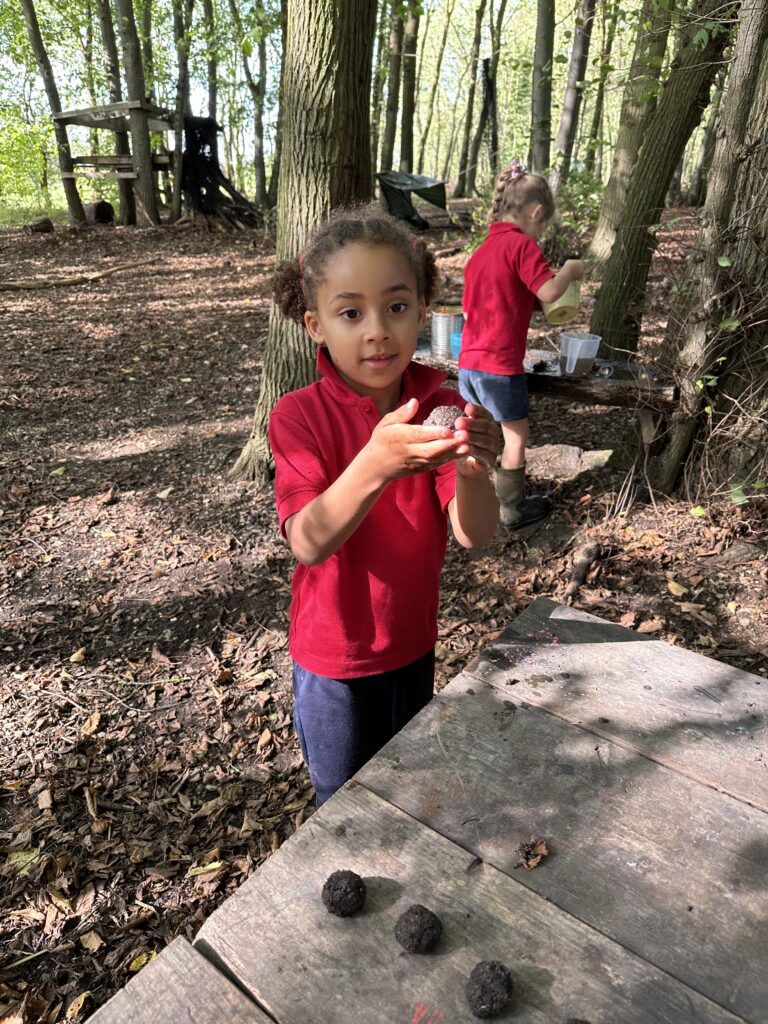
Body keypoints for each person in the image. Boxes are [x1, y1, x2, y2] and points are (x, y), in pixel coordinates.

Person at [268, 205, 501, 806]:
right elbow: (308, 540)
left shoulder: (441, 403)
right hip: (335, 658)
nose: (378, 330)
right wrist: (376, 462)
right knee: (342, 802)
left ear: (423, 309)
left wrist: (473, 471)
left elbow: (474, 534)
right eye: (351, 313)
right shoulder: (298, 416)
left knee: (402, 789)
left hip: (412, 643)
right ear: (315, 324)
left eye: (396, 307)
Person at [459, 159, 586, 528]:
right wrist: (570, 272)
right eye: (543, 224)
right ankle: (512, 509)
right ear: (535, 212)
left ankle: (472, 499)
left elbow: (482, 306)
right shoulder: (521, 246)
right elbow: (548, 289)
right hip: (499, 366)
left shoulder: (481, 253)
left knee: (478, 434)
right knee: (516, 437)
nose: (540, 234)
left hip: (469, 364)